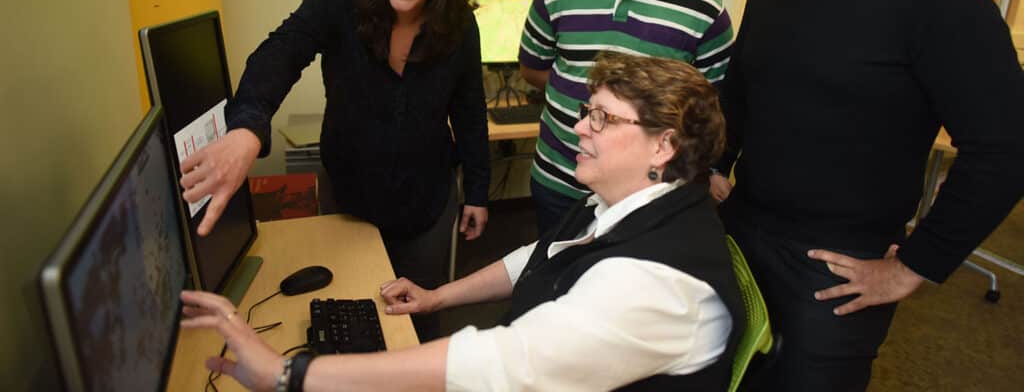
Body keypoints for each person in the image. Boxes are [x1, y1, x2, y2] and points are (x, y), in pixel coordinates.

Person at [181, 52, 745, 392]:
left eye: (601, 118)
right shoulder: (624, 206)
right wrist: (435, 298)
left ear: (664, 146)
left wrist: (290, 375)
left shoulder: (654, 283)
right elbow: (540, 257)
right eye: (584, 112)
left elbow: (505, 364)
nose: (580, 129)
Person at [711, 0, 1024, 391]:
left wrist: (916, 265)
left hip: (837, 271)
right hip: (741, 236)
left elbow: (1005, 147)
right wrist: (713, 164)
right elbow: (739, 96)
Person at [178, 0, 491, 341]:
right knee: (352, 317)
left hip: (427, 204)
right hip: (350, 198)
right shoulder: (336, 1)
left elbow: (468, 110)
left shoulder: (460, 25)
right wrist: (247, 127)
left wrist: (477, 190)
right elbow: (279, 55)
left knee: (418, 325)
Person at [519, 0, 734, 234]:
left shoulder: (704, 8)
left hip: (645, 198)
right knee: (550, 281)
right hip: (560, 184)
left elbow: (709, 107)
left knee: (629, 290)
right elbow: (535, 70)